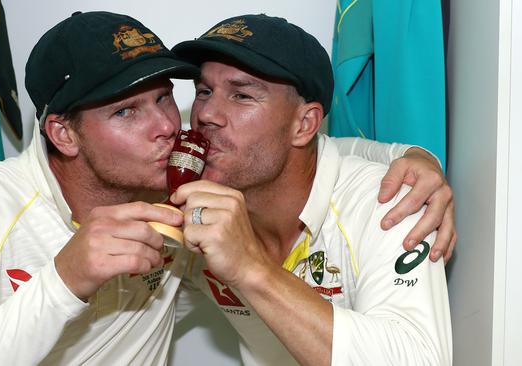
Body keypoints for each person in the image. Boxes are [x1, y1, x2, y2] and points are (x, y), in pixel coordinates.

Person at [0, 11, 451, 366]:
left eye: (163, 98)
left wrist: (416, 158)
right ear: (62, 133)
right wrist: (61, 283)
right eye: (128, 111)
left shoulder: (193, 202)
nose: (181, 123)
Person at [171, 14, 452, 365]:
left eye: (241, 95)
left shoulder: (388, 202)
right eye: (204, 91)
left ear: (304, 125)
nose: (207, 114)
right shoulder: (194, 207)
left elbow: (419, 360)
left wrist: (252, 269)